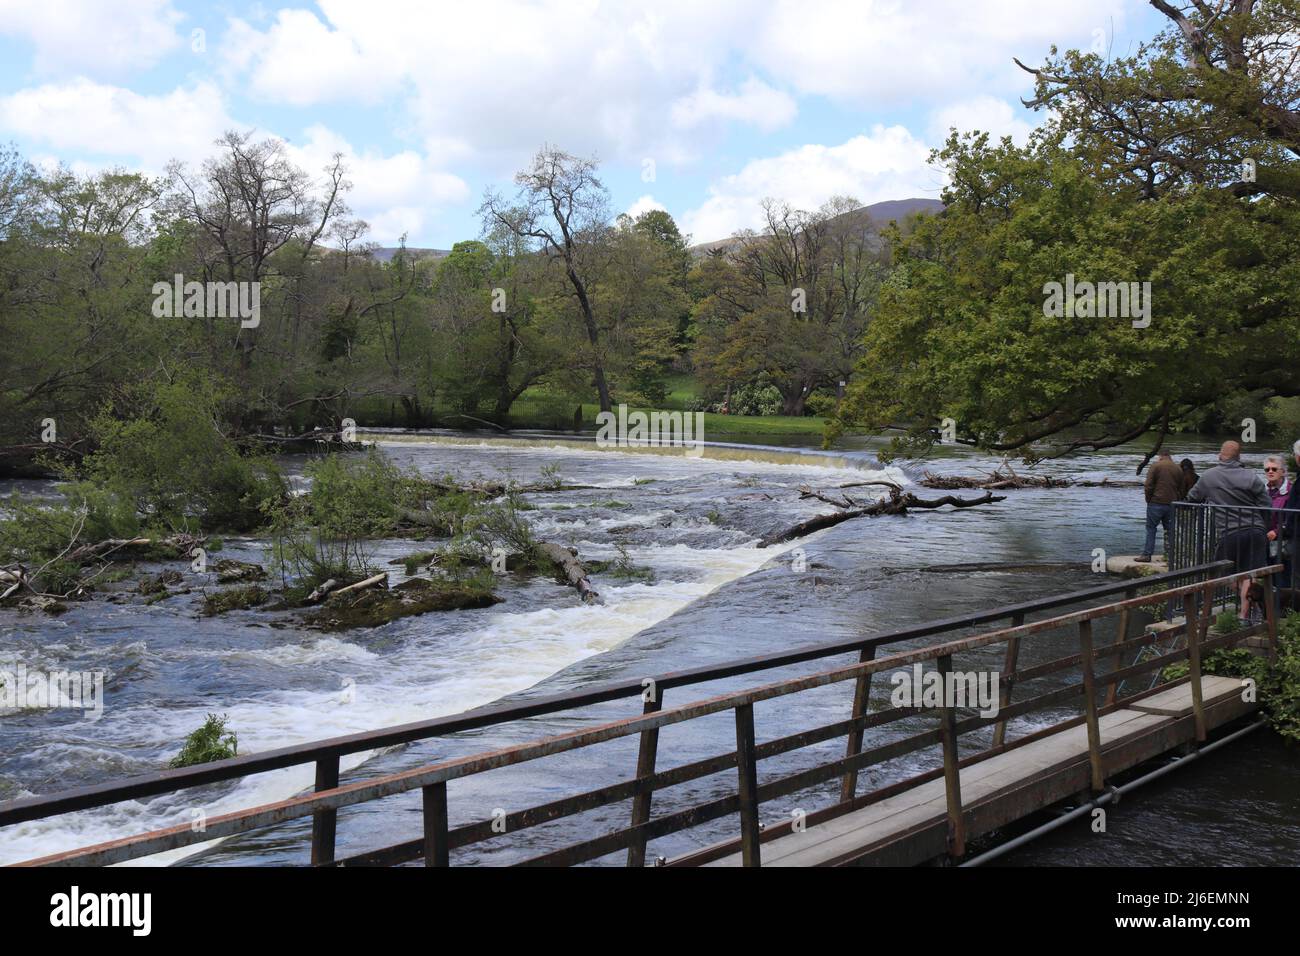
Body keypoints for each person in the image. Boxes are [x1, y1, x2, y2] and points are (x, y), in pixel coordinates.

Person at [1186, 440, 1272, 620]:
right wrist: (1262, 525)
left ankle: (1247, 606)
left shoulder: (1209, 476)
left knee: (1222, 572)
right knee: (1250, 574)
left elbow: (1192, 498)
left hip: (1230, 531)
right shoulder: (1250, 476)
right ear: (1239, 456)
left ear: (1220, 455)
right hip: (1255, 530)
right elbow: (1266, 504)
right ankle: (1246, 613)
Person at [1137, 450, 1184, 562]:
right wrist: (1177, 500)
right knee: (1169, 530)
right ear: (1170, 456)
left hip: (1156, 503)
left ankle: (1147, 555)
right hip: (1172, 504)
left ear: (1160, 456)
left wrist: (1148, 499)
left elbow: (1148, 485)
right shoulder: (1178, 468)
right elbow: (1181, 488)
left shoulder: (1155, 466)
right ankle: (1170, 555)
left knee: (1151, 529)